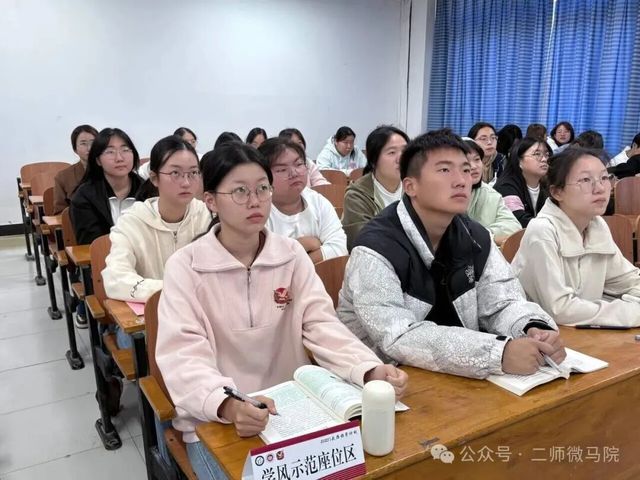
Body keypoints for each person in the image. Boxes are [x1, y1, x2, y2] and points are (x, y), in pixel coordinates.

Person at [155, 142, 408, 479]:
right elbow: (182, 356)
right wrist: (228, 405)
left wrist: (368, 369)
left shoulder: (290, 255)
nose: (255, 201)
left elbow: (321, 324)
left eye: (263, 188)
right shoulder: (186, 267)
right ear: (211, 201)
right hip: (215, 421)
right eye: (240, 191)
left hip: (293, 409)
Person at [337, 129, 564, 380]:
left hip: (455, 374)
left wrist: (532, 327)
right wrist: (496, 354)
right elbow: (398, 336)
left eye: (466, 170)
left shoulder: (475, 237)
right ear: (410, 186)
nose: (461, 181)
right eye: (445, 170)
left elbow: (503, 301)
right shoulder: (375, 247)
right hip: (382, 380)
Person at [512, 148, 640, 327]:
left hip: (582, 334)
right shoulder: (542, 231)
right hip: (540, 335)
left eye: (604, 178)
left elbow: (630, 281)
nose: (600, 188)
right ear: (557, 192)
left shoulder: (596, 224)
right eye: (585, 180)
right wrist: (631, 313)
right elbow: (559, 309)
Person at [103, 135, 212, 306]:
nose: (186, 182)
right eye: (175, 173)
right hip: (150, 311)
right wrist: (174, 290)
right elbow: (115, 279)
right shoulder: (132, 222)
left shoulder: (207, 216)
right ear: (154, 178)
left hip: (201, 309)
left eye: (193, 173)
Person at [260, 138, 347, 262]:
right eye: (282, 169)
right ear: (263, 177)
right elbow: (265, 264)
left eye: (299, 164)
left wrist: (294, 260)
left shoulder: (318, 202)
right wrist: (307, 244)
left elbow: (339, 250)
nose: (294, 173)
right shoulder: (259, 211)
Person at [70, 128, 143, 245]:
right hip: (105, 255)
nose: (119, 158)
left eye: (125, 150)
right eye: (110, 152)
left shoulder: (149, 191)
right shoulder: (84, 197)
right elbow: (92, 243)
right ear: (98, 160)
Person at [342, 125, 409, 250]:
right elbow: (366, 241)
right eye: (392, 152)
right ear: (373, 160)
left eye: (405, 151)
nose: (401, 158)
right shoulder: (356, 196)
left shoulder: (415, 188)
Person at [463, 138, 521, 245]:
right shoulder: (443, 194)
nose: (474, 166)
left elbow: (514, 227)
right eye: (466, 162)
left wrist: (483, 235)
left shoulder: (490, 194)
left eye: (477, 159)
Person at [494, 137, 551, 227]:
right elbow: (519, 220)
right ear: (519, 161)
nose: (544, 159)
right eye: (537, 154)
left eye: (546, 154)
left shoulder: (547, 186)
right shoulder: (506, 187)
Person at [53, 125, 99, 214]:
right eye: (83, 143)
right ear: (75, 149)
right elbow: (60, 212)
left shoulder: (110, 171)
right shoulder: (63, 177)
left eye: (93, 143)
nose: (89, 148)